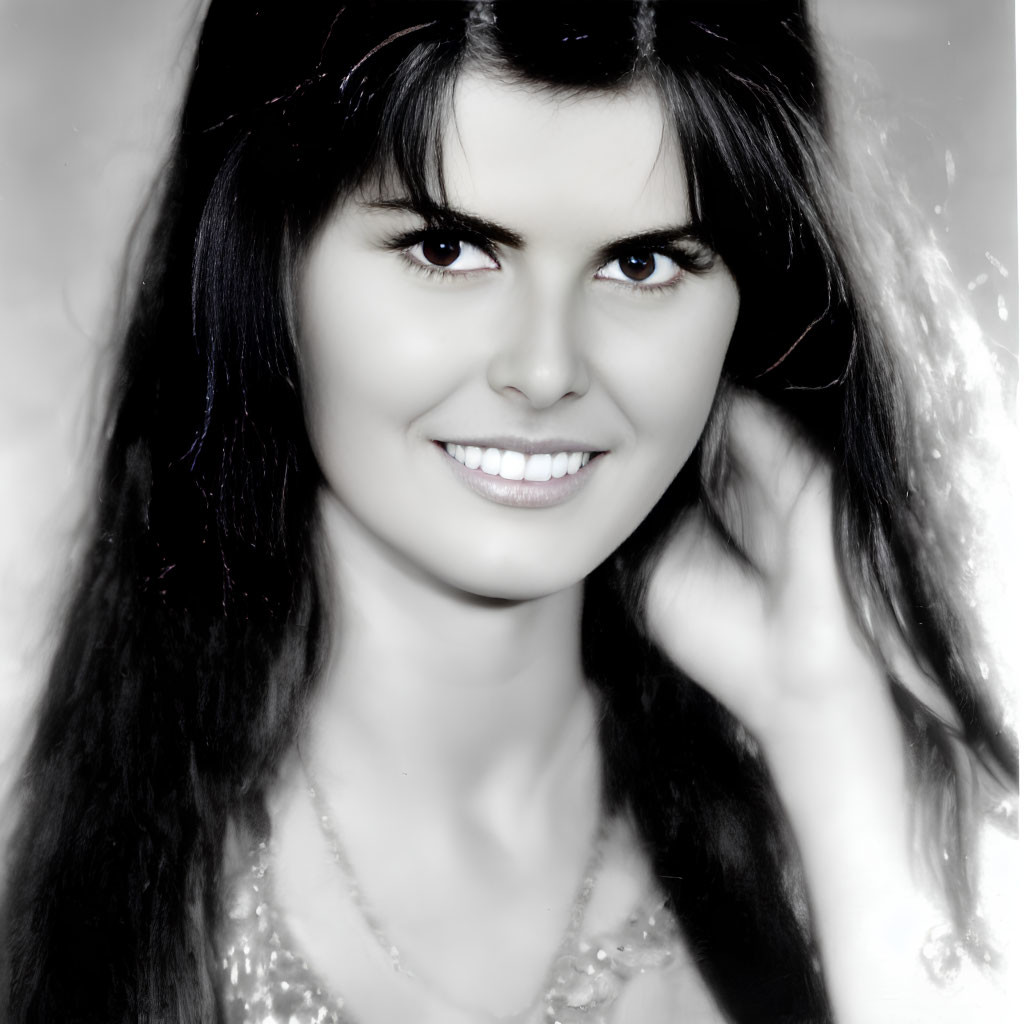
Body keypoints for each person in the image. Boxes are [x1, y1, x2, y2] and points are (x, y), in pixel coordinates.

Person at [1, 2, 1017, 1022]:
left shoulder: (872, 840)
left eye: (642, 263)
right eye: (446, 249)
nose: (544, 370)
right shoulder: (71, 901)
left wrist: (830, 740)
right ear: (262, 263)